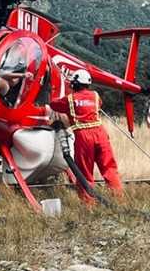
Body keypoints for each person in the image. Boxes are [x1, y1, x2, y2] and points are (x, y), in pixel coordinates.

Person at [49, 70, 123, 204]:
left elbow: (54, 104)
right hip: (101, 134)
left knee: (84, 172)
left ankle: (88, 204)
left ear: (74, 83)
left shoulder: (70, 99)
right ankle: (118, 199)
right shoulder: (95, 96)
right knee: (109, 168)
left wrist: (60, 89)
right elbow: (97, 105)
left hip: (84, 137)